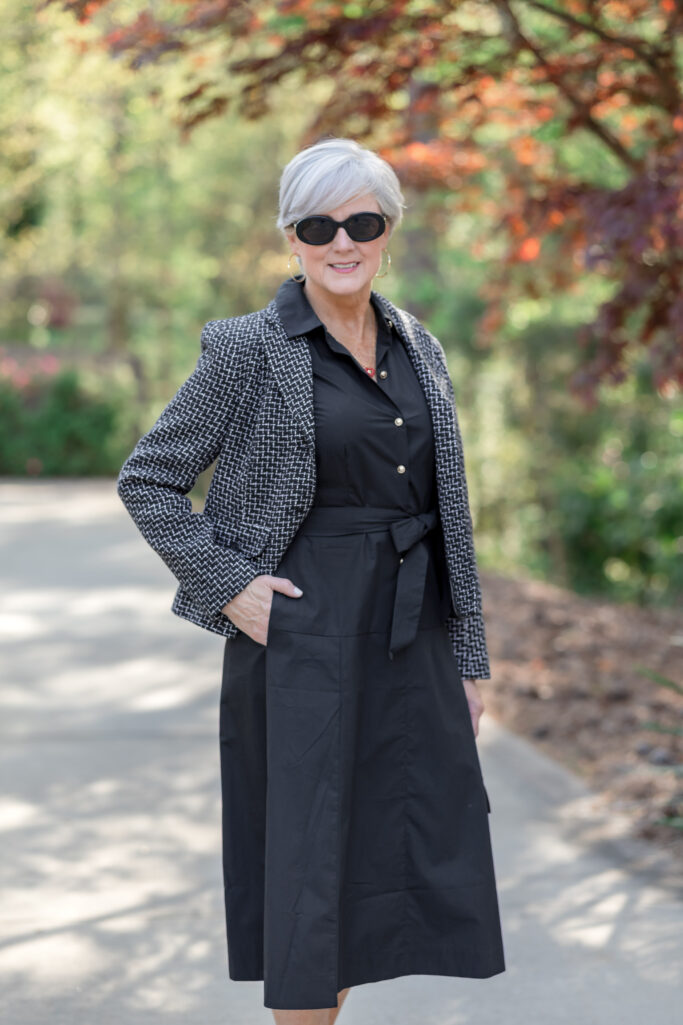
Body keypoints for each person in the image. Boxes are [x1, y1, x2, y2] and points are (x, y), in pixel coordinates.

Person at [117, 137, 506, 1024]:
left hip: (410, 636)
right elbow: (148, 479)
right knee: (309, 883)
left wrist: (467, 657)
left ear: (387, 230)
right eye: (317, 225)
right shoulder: (245, 348)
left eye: (361, 222)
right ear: (289, 236)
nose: (341, 242)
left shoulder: (419, 345)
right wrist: (228, 585)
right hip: (303, 640)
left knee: (390, 860)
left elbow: (448, 510)